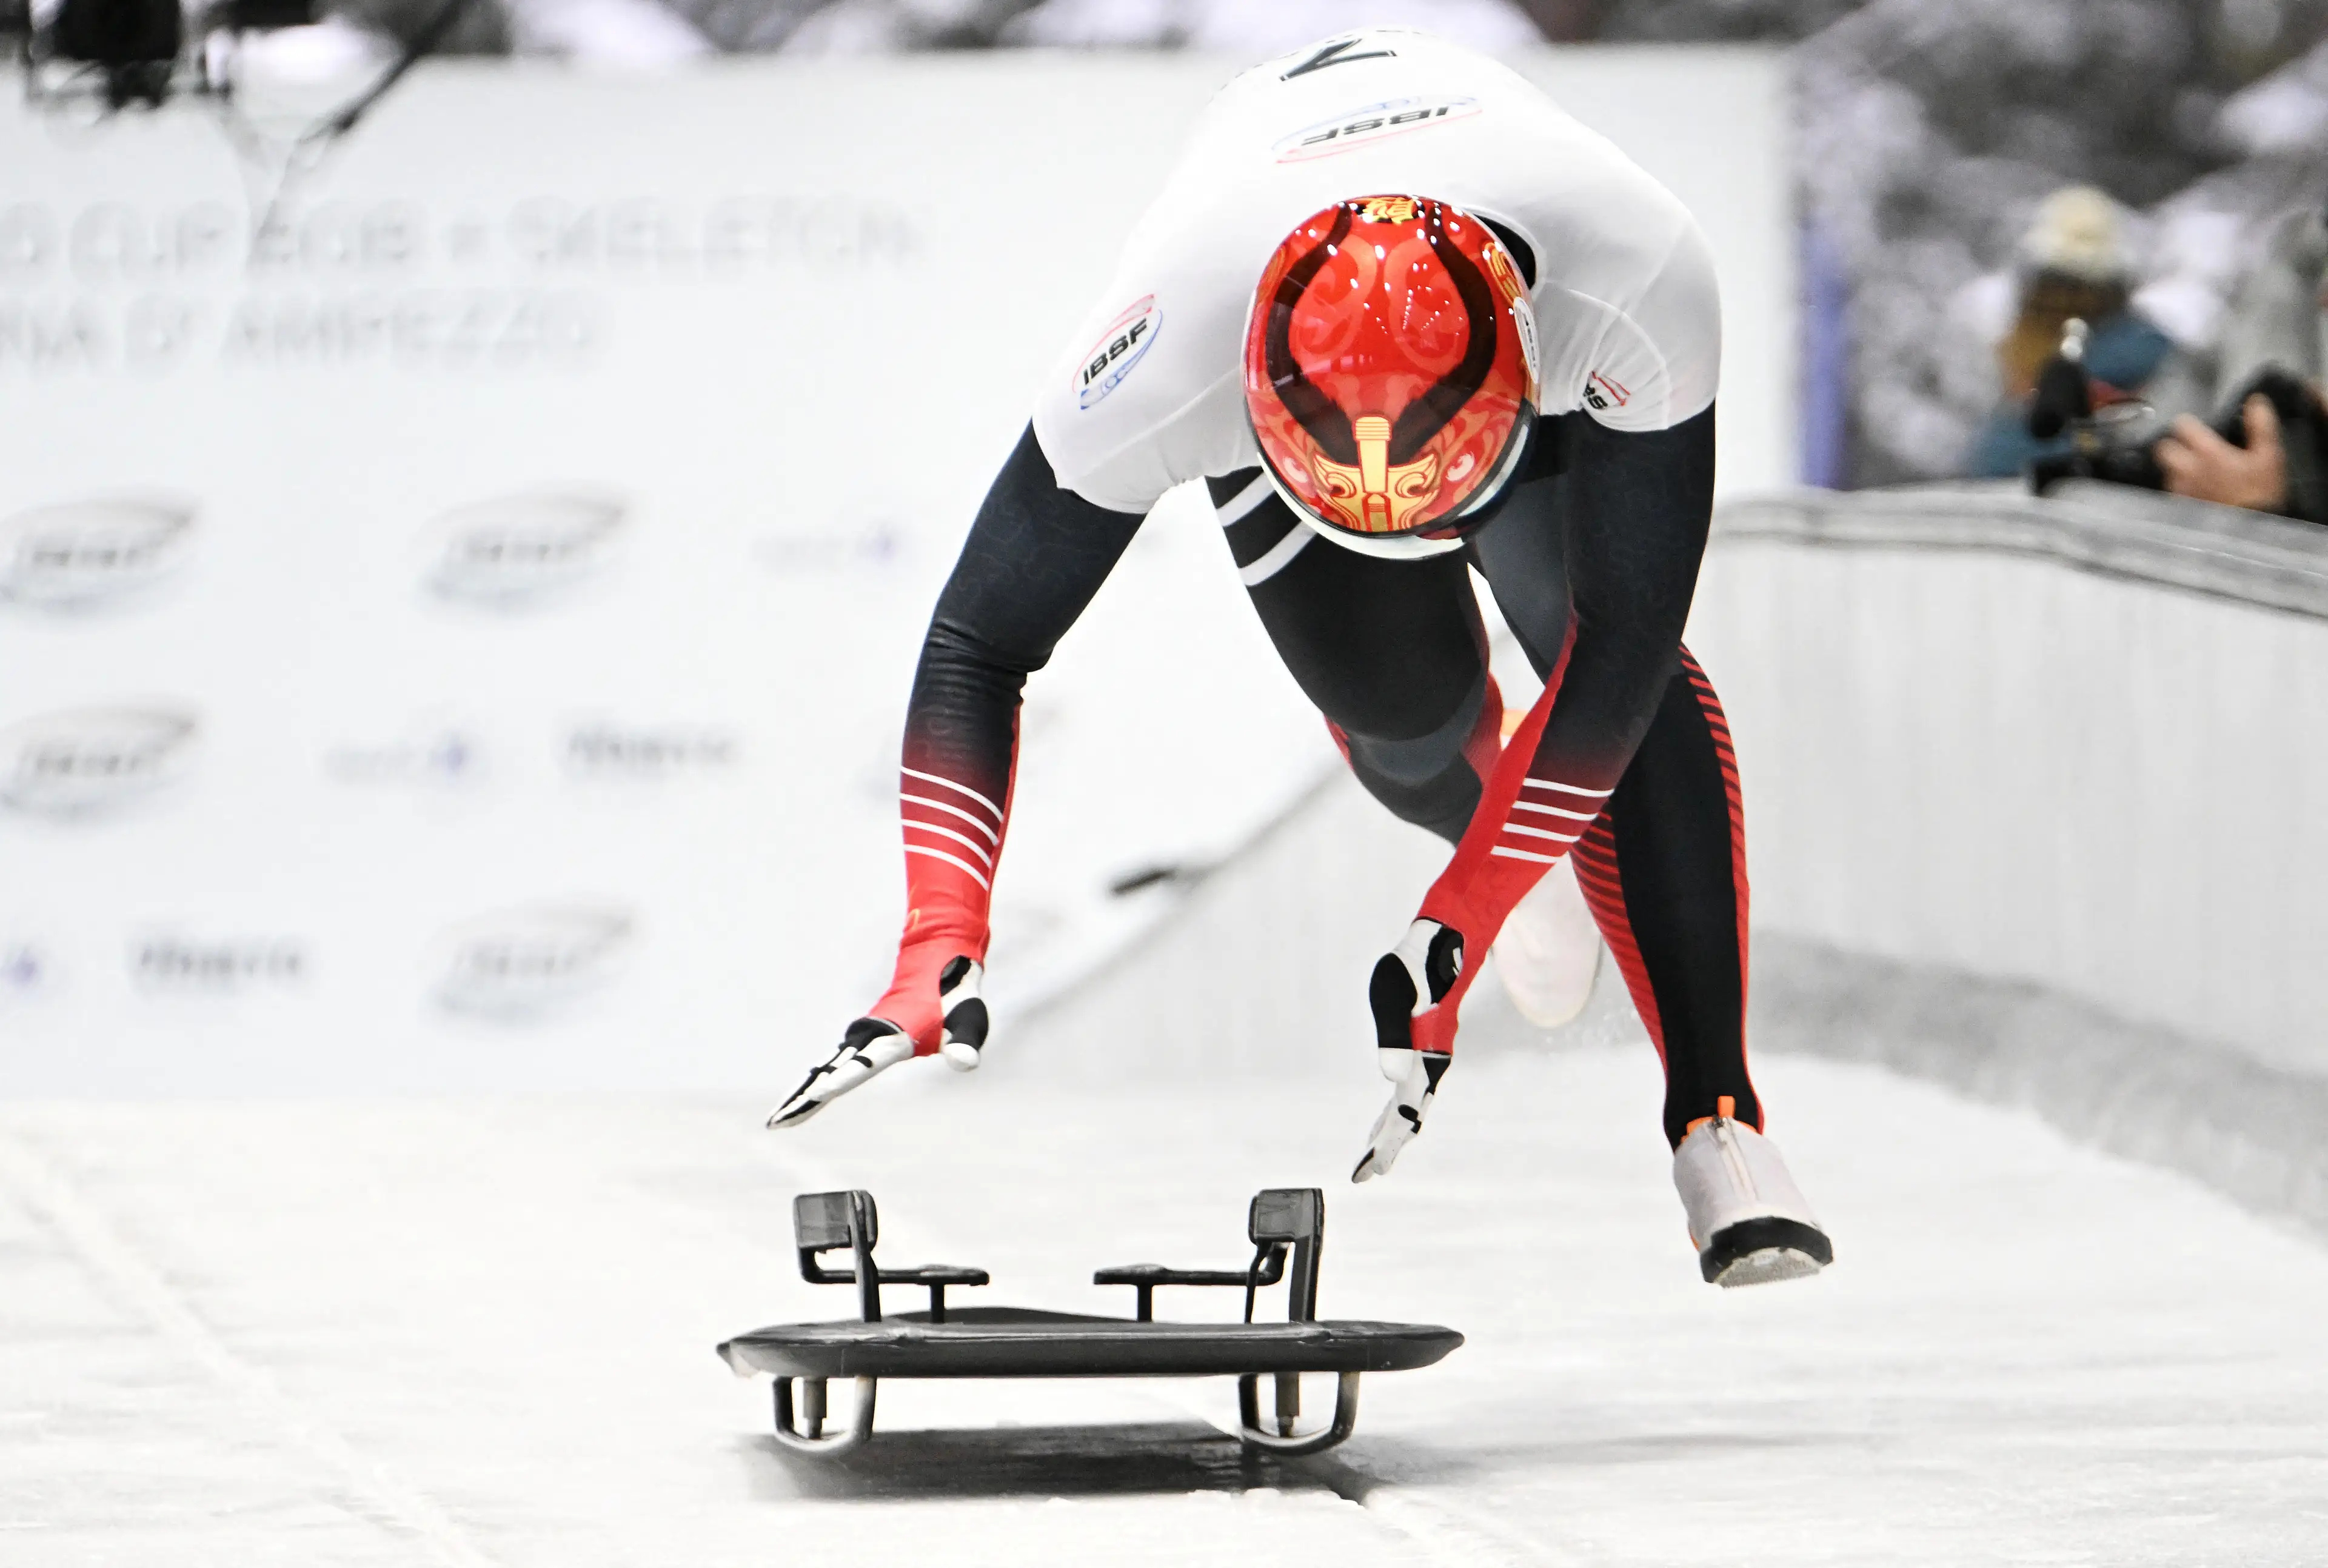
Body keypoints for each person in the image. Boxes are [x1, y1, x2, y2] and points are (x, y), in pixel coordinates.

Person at [768, 27, 1833, 1289]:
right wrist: (939, 934)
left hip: (1517, 361)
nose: (1404, 518)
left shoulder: (1637, 273)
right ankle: (1497, 822)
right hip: (1305, 321)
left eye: (1437, 487)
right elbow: (978, 642)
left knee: (1583, 631)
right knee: (1400, 713)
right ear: (1255, 406)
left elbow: (1622, 663)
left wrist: (1461, 917)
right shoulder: (1160, 361)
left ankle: (1717, 1116)